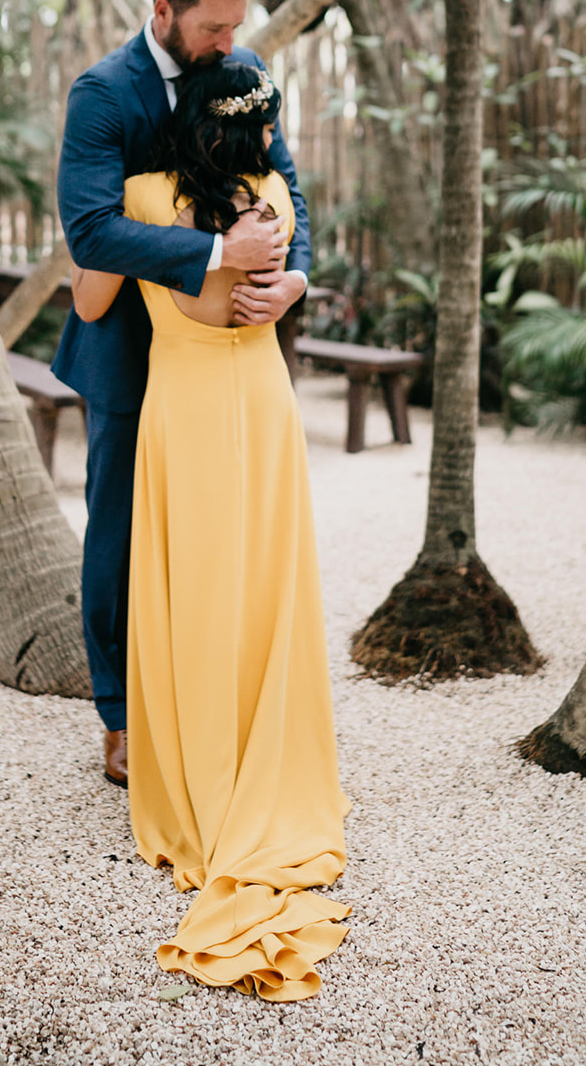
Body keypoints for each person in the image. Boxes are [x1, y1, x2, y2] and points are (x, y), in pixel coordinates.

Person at [71, 59, 350, 1001]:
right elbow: (254, 284)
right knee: (260, 587)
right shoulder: (269, 200)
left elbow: (93, 299)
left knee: (187, 584)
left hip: (182, 411)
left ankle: (190, 771)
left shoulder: (144, 196)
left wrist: (120, 246)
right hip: (260, 405)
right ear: (253, 135)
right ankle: (257, 756)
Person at [53, 0, 311, 786]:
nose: (229, 43)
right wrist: (211, 251)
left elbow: (286, 187)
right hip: (132, 349)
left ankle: (209, 698)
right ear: (163, 11)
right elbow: (90, 231)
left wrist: (292, 278)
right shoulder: (103, 94)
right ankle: (122, 718)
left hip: (232, 349)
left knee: (218, 535)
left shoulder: (240, 69)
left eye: (237, 25)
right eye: (212, 26)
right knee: (123, 536)